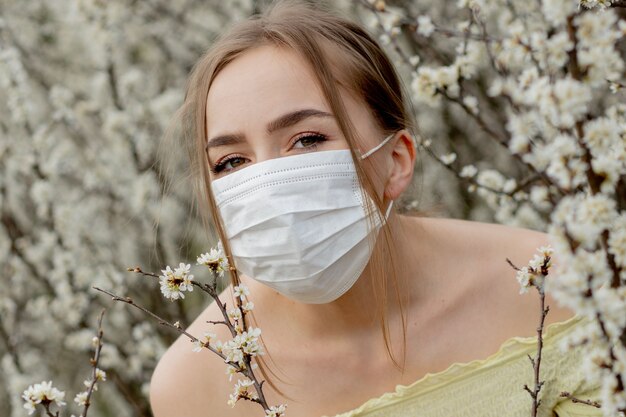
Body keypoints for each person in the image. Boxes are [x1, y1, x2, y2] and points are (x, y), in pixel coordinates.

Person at [149, 1, 602, 416]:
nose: (266, 182)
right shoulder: (198, 380)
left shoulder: (554, 285)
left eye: (307, 139)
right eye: (231, 161)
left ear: (397, 160)